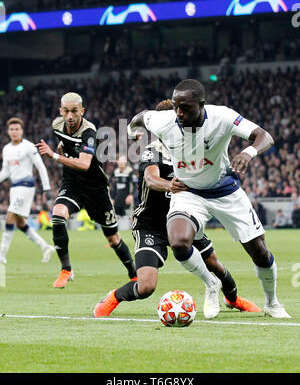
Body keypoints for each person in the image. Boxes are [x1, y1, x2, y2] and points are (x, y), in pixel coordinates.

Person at [126, 79, 291, 319]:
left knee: (260, 253)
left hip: (225, 191)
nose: (179, 113)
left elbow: (263, 136)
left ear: (201, 104)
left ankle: (272, 302)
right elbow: (140, 117)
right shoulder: (164, 120)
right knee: (179, 241)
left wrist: (247, 152)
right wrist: (132, 132)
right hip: (189, 193)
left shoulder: (222, 117)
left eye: (186, 108)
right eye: (176, 107)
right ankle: (211, 284)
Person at [94, 100, 261, 319]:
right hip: (151, 224)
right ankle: (114, 297)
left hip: (184, 218)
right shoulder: (151, 151)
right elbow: (151, 178)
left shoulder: (192, 147)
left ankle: (233, 299)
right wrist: (169, 185)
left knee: (215, 265)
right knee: (146, 287)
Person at [35, 92, 136, 288]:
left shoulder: (89, 132)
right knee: (57, 215)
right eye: (66, 111)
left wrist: (54, 156)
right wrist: (61, 151)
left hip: (95, 189)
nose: (70, 116)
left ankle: (134, 275)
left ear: (82, 110)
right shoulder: (57, 125)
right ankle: (66, 270)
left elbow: (84, 164)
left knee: (114, 239)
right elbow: (63, 143)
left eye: (74, 111)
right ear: (60, 111)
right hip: (72, 185)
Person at [0, 117, 55, 264]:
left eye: (17, 129)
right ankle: (45, 247)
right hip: (14, 188)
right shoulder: (6, 149)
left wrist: (47, 188)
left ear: (22, 131)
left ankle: (1, 254)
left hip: (26, 186)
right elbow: (5, 172)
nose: (14, 132)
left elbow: (41, 167)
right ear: (8, 131)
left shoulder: (29, 147)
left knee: (9, 217)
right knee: (20, 223)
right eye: (12, 129)